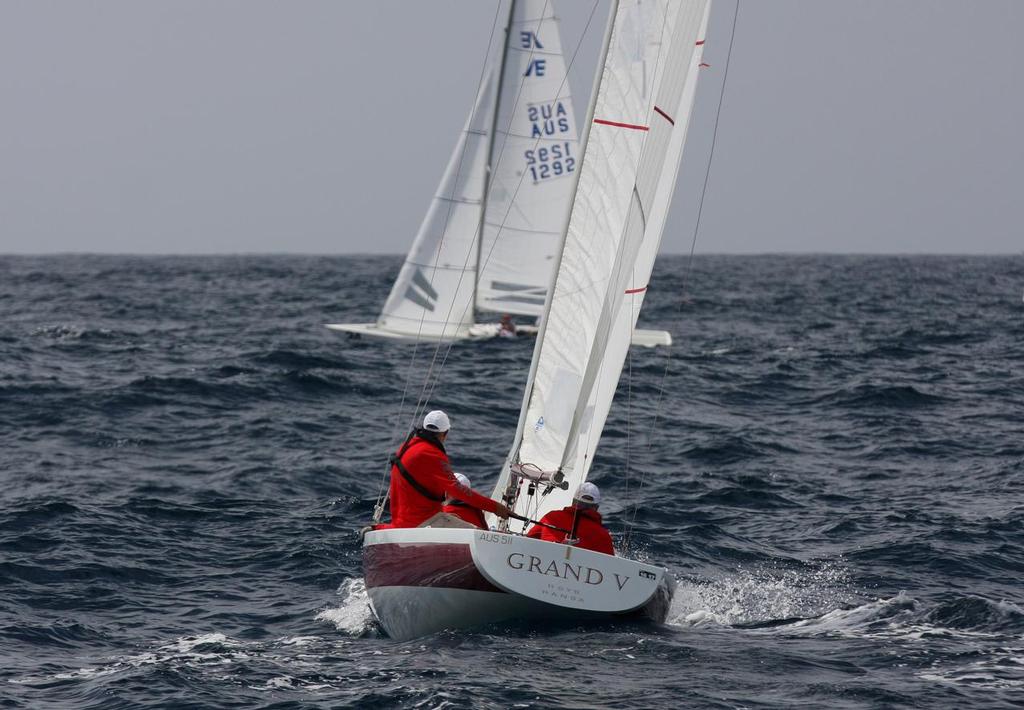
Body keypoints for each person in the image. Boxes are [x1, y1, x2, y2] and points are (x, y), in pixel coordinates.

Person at [386, 410, 510, 528]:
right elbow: (458, 490)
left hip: (399, 521)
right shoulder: (432, 454)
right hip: (421, 521)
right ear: (445, 433)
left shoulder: (406, 447)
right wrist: (495, 507)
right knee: (479, 535)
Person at [525, 482, 614, 555]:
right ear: (596, 508)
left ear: (573, 502)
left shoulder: (550, 517)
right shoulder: (604, 535)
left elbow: (528, 540)